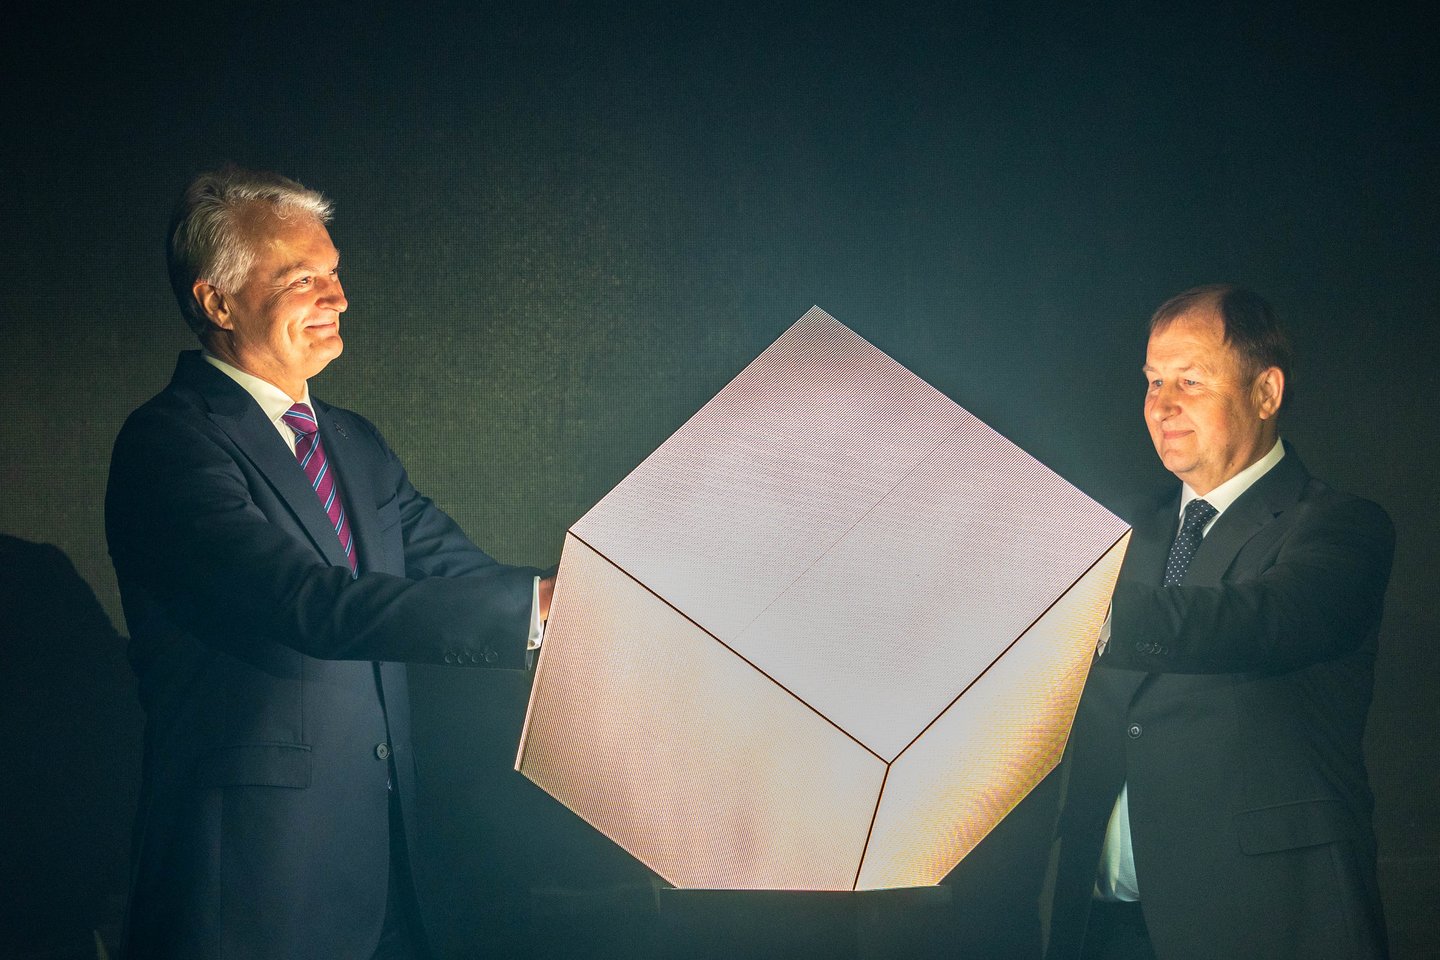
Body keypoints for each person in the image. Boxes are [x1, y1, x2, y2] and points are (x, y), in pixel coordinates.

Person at [106, 166, 555, 960]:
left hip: (387, 870)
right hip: (252, 884)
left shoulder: (354, 441)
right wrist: (532, 609)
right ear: (217, 302)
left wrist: (597, 601)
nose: (338, 298)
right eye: (303, 279)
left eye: (335, 273)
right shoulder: (170, 442)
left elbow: (457, 572)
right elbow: (302, 601)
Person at [1042, 285, 1394, 960]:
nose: (1162, 405)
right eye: (1153, 381)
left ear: (1266, 392)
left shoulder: (1339, 526)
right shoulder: (1117, 534)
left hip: (1263, 923)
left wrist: (1092, 612)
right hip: (1100, 926)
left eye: (1190, 381)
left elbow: (1267, 618)